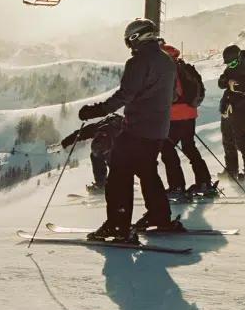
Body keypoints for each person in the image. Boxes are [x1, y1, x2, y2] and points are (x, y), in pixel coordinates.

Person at [78, 18, 182, 243]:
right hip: (158, 130)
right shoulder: (166, 60)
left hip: (137, 129)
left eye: (129, 40)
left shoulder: (139, 61)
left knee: (118, 175)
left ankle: (117, 225)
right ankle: (160, 216)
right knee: (147, 172)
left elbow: (126, 94)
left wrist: (95, 110)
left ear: (136, 37)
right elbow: (173, 95)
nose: (128, 44)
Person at [158, 43, 215, 199]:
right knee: (189, 147)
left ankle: (177, 186)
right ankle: (204, 182)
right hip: (190, 114)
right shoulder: (182, 66)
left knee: (167, 149)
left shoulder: (168, 70)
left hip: (175, 115)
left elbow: (171, 96)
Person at [217, 45, 245, 182]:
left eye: (234, 63)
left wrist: (241, 86)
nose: (231, 66)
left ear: (239, 57)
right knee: (227, 139)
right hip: (227, 106)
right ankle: (231, 169)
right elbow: (221, 82)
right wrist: (228, 82)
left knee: (241, 139)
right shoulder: (230, 68)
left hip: (241, 108)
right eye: (229, 64)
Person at [61, 114, 124, 194]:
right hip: (108, 141)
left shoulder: (119, 134)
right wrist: (66, 142)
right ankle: (102, 184)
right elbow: (79, 134)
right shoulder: (95, 129)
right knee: (95, 156)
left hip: (122, 144)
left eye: (101, 152)